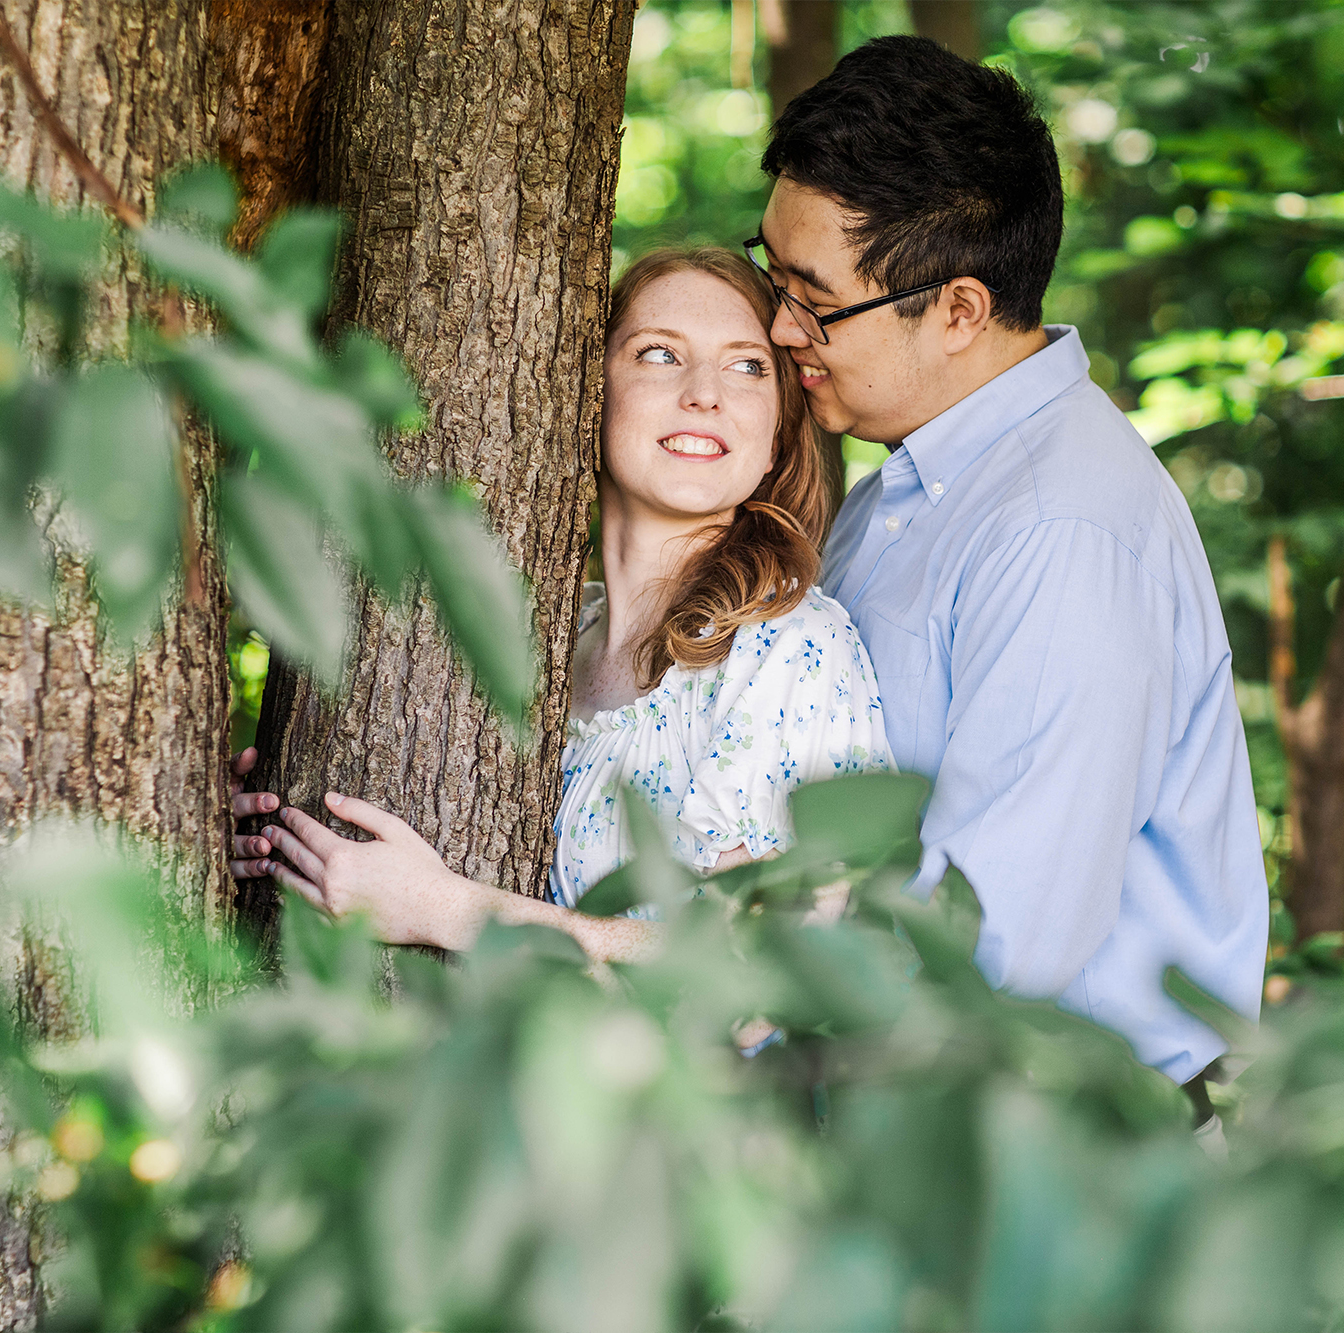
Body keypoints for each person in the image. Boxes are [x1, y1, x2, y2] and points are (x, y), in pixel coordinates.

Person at [745, 35, 1268, 1092]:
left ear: (958, 310)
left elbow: (991, 947)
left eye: (812, 297)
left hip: (1061, 1162)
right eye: (769, 272)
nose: (775, 323)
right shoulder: (910, 481)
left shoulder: (1057, 529)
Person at [229, 247, 890, 963]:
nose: (705, 392)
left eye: (747, 365)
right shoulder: (551, 631)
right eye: (660, 353)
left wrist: (441, 907)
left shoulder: (789, 645)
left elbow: (766, 980)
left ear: (776, 438)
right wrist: (268, 839)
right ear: (588, 390)